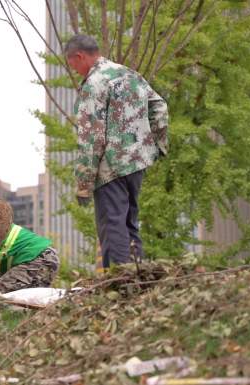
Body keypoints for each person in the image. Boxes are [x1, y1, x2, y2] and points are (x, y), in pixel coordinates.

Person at [65, 34, 169, 268]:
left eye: (74, 66)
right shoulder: (130, 74)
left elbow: (92, 139)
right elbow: (160, 107)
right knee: (129, 224)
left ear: (80, 56)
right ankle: (136, 282)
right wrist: (157, 146)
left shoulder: (94, 83)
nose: (75, 71)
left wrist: (83, 185)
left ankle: (120, 286)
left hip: (111, 168)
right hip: (137, 164)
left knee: (113, 226)